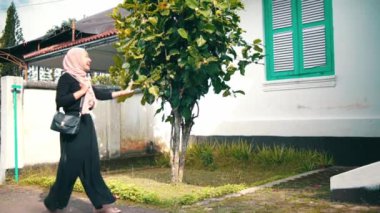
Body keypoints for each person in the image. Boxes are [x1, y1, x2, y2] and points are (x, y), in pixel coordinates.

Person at [44, 47, 133, 213]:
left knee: (91, 166)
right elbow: (61, 100)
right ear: (76, 58)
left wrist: (124, 92)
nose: (90, 59)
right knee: (69, 168)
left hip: (85, 123)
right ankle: (53, 203)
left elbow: (99, 94)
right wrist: (82, 91)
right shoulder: (67, 78)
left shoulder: (85, 78)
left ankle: (101, 206)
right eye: (86, 56)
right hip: (72, 127)